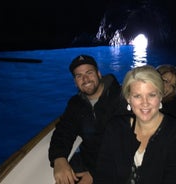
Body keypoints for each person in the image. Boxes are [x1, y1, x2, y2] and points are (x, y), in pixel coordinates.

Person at [95, 65, 176, 184]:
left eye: (151, 95)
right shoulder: (115, 128)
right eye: (137, 96)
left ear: (160, 96)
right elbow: (103, 175)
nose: (145, 103)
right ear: (128, 99)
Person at [48, 55, 128, 184]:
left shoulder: (121, 98)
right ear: (75, 82)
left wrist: (95, 173)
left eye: (89, 73)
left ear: (98, 74)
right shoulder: (76, 104)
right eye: (79, 76)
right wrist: (58, 158)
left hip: (118, 167)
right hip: (88, 162)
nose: (85, 79)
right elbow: (64, 131)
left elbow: (126, 143)